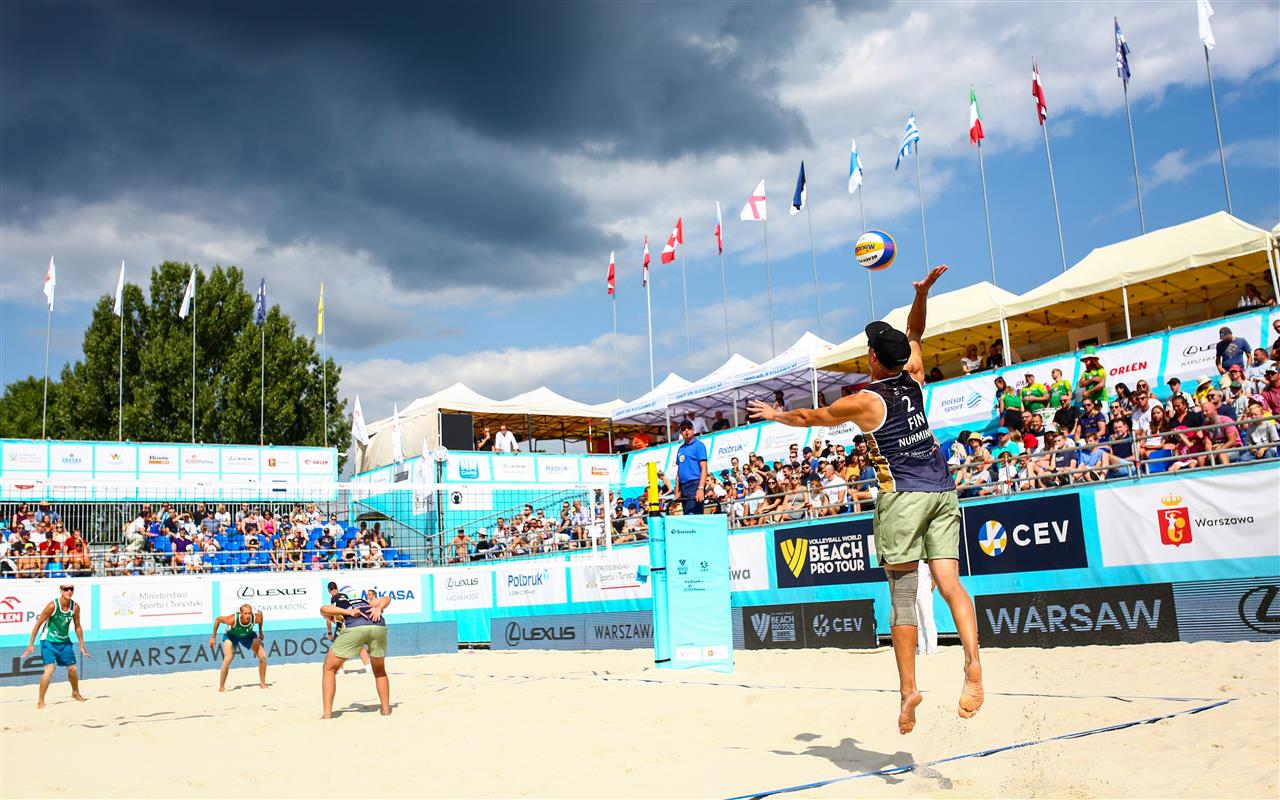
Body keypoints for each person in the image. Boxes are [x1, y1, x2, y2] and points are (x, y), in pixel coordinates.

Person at [748, 264, 982, 735]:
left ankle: (908, 690)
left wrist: (775, 414)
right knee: (950, 583)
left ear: (873, 357)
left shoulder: (865, 400)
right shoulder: (914, 375)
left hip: (904, 496)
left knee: (902, 598)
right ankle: (973, 663)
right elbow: (916, 331)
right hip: (942, 490)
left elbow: (812, 418)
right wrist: (921, 294)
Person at [320, 588, 392, 719]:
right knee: (380, 671)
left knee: (329, 669)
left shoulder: (338, 606)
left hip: (355, 627)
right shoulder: (363, 601)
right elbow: (387, 598)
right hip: (378, 625)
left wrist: (349, 612)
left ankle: (327, 714)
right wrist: (379, 608)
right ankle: (386, 710)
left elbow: (323, 609)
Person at [21, 584, 89, 708]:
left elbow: (78, 626)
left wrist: (82, 645)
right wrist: (30, 644)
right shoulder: (52, 606)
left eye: (71, 589)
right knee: (49, 669)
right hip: (48, 641)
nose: (69, 591)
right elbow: (38, 624)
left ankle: (75, 693)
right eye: (66, 589)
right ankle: (41, 701)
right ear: (61, 591)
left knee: (72, 669)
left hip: (64, 641)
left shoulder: (75, 607)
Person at [210, 604, 268, 691]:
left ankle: (262, 683)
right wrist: (213, 638)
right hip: (231, 636)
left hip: (248, 635)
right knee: (228, 658)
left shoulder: (255, 618)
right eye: (245, 613)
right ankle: (221, 687)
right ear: (240, 613)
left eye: (249, 613)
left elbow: (260, 616)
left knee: (263, 656)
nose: (248, 616)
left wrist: (260, 632)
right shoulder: (232, 619)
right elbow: (218, 619)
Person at [672, 420, 708, 516]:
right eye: (683, 429)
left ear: (693, 429)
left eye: (689, 428)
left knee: (693, 515)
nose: (686, 430)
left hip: (695, 484)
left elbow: (704, 468)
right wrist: (676, 491)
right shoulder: (681, 449)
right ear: (680, 432)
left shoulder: (699, 445)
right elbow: (678, 472)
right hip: (683, 486)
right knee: (687, 515)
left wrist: (701, 488)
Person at [915, 561, 937, 656]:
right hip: (913, 596)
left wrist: (930, 590)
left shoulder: (925, 562)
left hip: (925, 594)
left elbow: (934, 577)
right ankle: (922, 649)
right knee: (918, 624)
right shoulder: (911, 561)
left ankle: (932, 649)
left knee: (928, 622)